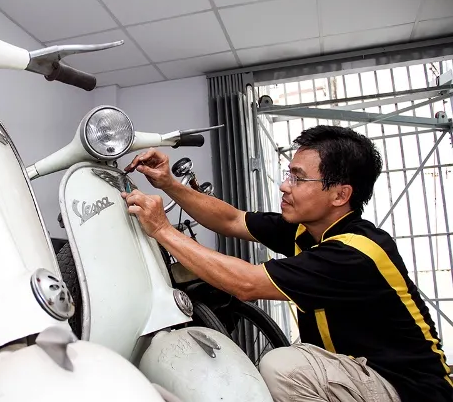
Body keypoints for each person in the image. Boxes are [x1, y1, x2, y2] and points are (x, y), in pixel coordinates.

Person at [121, 125, 452, 402]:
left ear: (340, 195)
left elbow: (246, 284)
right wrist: (168, 183)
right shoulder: (307, 229)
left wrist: (162, 230)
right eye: (288, 174)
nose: (284, 185)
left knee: (285, 368)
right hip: (358, 374)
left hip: (409, 392)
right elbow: (232, 220)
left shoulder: (354, 252)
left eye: (298, 178)